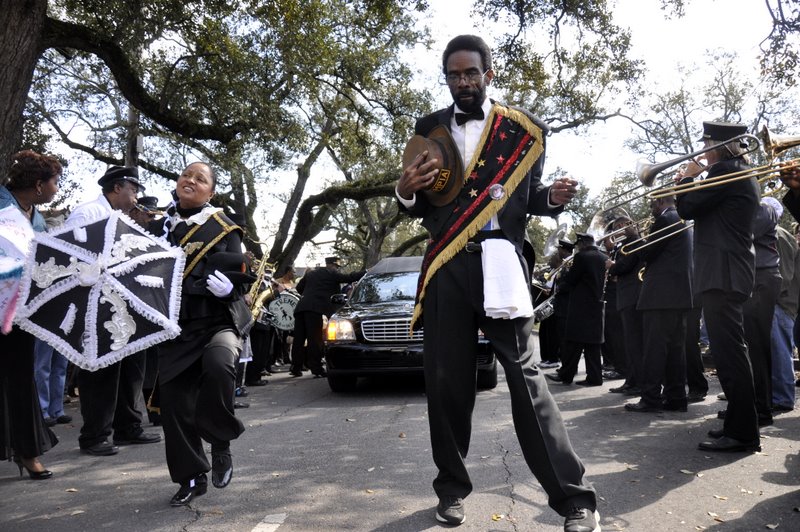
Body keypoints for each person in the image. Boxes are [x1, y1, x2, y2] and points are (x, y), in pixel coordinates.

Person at [396, 35, 599, 532]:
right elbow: (419, 200)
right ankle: (451, 491)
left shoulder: (524, 131)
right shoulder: (428, 127)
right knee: (446, 383)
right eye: (453, 75)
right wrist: (403, 190)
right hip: (447, 263)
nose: (462, 82)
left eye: (471, 73)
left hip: (502, 265)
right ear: (446, 78)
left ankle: (574, 499)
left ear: (489, 73)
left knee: (527, 379)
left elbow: (525, 199)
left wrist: (551, 198)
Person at [153, 162, 248, 506]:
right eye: (185, 175)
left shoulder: (223, 228)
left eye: (200, 178)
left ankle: (220, 441)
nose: (190, 180)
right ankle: (191, 477)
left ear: (211, 191)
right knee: (175, 405)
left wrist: (228, 291)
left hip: (215, 321)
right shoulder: (155, 227)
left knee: (220, 362)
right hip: (175, 328)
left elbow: (239, 277)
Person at [676, 121, 761, 453]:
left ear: (720, 146)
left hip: (723, 273)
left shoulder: (726, 171)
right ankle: (737, 423)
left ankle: (743, 433)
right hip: (727, 272)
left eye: (706, 145)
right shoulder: (736, 171)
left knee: (730, 354)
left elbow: (686, 208)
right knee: (729, 353)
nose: (703, 152)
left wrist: (686, 177)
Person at [67, 166, 161, 456]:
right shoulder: (87, 214)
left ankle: (128, 427)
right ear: (117, 188)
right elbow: (72, 256)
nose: (136, 197)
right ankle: (94, 435)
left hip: (125, 302)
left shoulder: (123, 218)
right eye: (133, 190)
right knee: (101, 372)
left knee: (133, 368)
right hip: (98, 304)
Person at [0, 149, 61, 479]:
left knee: (21, 379)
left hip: (20, 313)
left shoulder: (35, 216)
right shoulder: (1, 205)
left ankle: (27, 452)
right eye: (55, 183)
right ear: (39, 185)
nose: (57, 189)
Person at [624, 195, 693, 413]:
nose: (651, 208)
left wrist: (635, 237)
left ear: (660, 201)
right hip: (679, 295)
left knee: (654, 349)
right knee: (675, 350)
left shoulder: (665, 219)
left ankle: (651, 398)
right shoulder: (682, 218)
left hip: (661, 295)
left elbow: (646, 253)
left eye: (652, 203)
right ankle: (676, 397)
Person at [546, 232, 606, 386]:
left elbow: (572, 279)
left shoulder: (582, 257)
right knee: (593, 345)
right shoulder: (604, 257)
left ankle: (566, 375)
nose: (577, 248)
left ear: (583, 243)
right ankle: (595, 377)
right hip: (597, 306)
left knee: (572, 342)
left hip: (581, 307)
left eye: (578, 244)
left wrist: (560, 285)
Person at [291, 257, 364, 378]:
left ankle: (295, 367)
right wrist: (366, 271)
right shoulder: (332, 273)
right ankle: (317, 369)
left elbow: (299, 288)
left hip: (301, 307)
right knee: (314, 339)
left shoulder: (312, 273)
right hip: (314, 310)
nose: (337, 269)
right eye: (337, 267)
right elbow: (349, 277)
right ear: (333, 265)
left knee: (299, 339)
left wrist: (310, 294)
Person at [606, 216, 644, 396]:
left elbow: (625, 266)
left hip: (632, 296)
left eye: (622, 226)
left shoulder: (635, 241)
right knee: (629, 342)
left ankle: (637, 383)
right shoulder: (625, 244)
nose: (619, 230)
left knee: (634, 342)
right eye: (616, 227)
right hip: (626, 296)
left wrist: (612, 266)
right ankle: (631, 380)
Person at [768, 198, 798, 413]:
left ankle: (784, 398)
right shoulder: (775, 234)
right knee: (775, 352)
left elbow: (784, 275)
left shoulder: (779, 235)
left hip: (780, 303)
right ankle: (775, 395)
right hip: (776, 302)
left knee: (780, 352)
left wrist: (768, 298)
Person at [32, 340, 71, 426]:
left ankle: (57, 410)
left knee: (60, 367)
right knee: (43, 365)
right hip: (44, 328)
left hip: (62, 327)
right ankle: (42, 410)